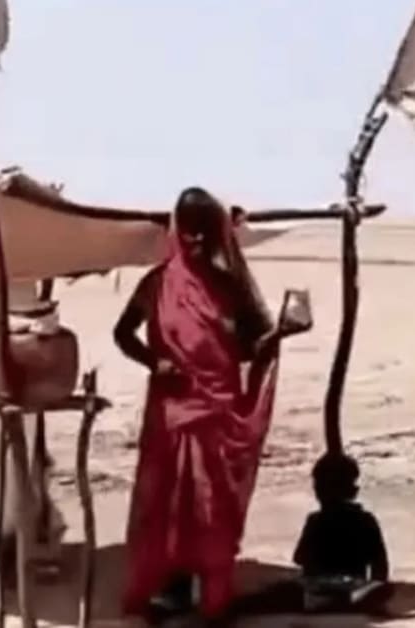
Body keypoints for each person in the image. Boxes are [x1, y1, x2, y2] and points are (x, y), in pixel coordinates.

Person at [114, 187, 304, 621]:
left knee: (210, 506)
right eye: (189, 234)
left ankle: (211, 593)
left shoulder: (228, 286)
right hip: (172, 409)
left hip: (217, 411)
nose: (196, 243)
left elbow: (247, 349)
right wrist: (155, 360)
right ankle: (172, 588)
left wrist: (279, 335)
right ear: (178, 233)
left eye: (204, 234)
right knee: (168, 502)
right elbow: (122, 334)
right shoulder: (156, 284)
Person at [292, 453, 391, 613]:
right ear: (354, 490)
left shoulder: (316, 521)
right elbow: (380, 567)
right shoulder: (366, 520)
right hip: (353, 587)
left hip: (321, 589)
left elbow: (300, 558)